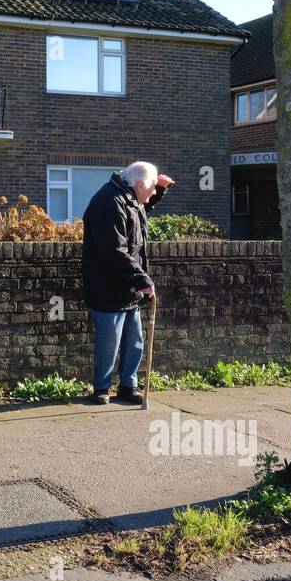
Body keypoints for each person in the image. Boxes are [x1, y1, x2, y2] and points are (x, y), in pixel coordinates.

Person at [81, 161, 173, 404]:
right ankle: (101, 388)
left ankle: (127, 386)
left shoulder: (128, 197)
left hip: (128, 289)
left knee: (135, 341)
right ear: (140, 184)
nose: (153, 193)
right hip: (107, 287)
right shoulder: (108, 202)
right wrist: (140, 277)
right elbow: (113, 249)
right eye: (152, 187)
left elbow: (140, 210)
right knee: (108, 342)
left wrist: (161, 190)